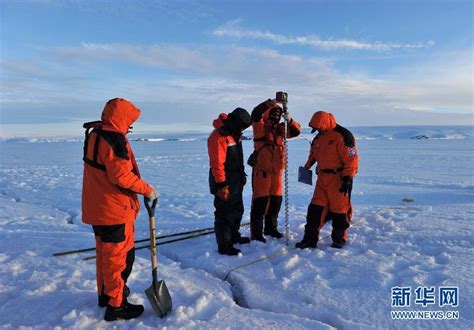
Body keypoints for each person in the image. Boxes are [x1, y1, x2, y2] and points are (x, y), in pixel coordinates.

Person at [82, 98, 158, 321]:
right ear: (122, 119)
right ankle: (116, 306)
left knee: (106, 256)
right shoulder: (113, 139)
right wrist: (147, 190)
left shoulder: (95, 134)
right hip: (114, 209)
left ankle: (106, 296)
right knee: (120, 259)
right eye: (129, 122)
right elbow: (121, 176)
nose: (129, 127)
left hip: (98, 208)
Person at [296, 111, 358, 249]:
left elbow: (351, 159)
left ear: (324, 123)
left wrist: (348, 177)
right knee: (315, 210)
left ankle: (339, 239)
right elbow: (313, 154)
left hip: (338, 178)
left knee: (339, 211)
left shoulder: (343, 135)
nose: (317, 130)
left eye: (318, 128)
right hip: (322, 179)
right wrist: (306, 167)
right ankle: (309, 239)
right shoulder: (319, 138)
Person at [249, 99, 301, 242]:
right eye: (274, 112)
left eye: (279, 113)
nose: (277, 115)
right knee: (260, 204)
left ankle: (271, 228)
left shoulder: (281, 129)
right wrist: (270, 102)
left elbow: (296, 132)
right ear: (267, 113)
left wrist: (289, 119)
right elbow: (255, 113)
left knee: (275, 203)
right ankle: (257, 233)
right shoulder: (260, 127)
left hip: (277, 173)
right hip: (262, 173)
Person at [208, 108, 252, 256]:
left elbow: (237, 157)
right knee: (224, 213)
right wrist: (221, 185)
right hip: (224, 181)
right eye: (242, 126)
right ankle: (225, 245)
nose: (243, 129)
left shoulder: (234, 134)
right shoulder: (218, 137)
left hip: (236, 179)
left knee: (237, 209)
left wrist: (242, 174)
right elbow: (217, 164)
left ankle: (234, 236)